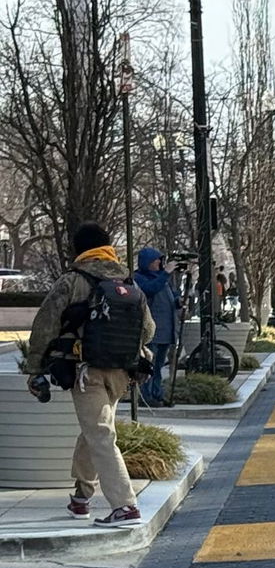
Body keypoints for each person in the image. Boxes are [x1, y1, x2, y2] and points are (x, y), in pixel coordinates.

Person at [22, 223, 154, 528]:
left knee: (100, 434)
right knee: (97, 429)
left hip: (85, 371)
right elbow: (148, 331)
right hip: (122, 372)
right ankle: (81, 497)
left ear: (79, 249)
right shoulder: (128, 282)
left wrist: (35, 368)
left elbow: (45, 327)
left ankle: (125, 507)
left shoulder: (72, 281)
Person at [133, 246, 179, 406]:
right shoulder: (139, 278)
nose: (159, 263)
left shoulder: (162, 278)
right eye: (155, 260)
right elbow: (150, 289)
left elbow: (172, 294)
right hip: (152, 330)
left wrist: (178, 301)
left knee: (159, 366)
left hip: (167, 329)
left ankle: (157, 393)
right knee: (149, 365)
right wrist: (166, 273)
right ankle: (146, 396)